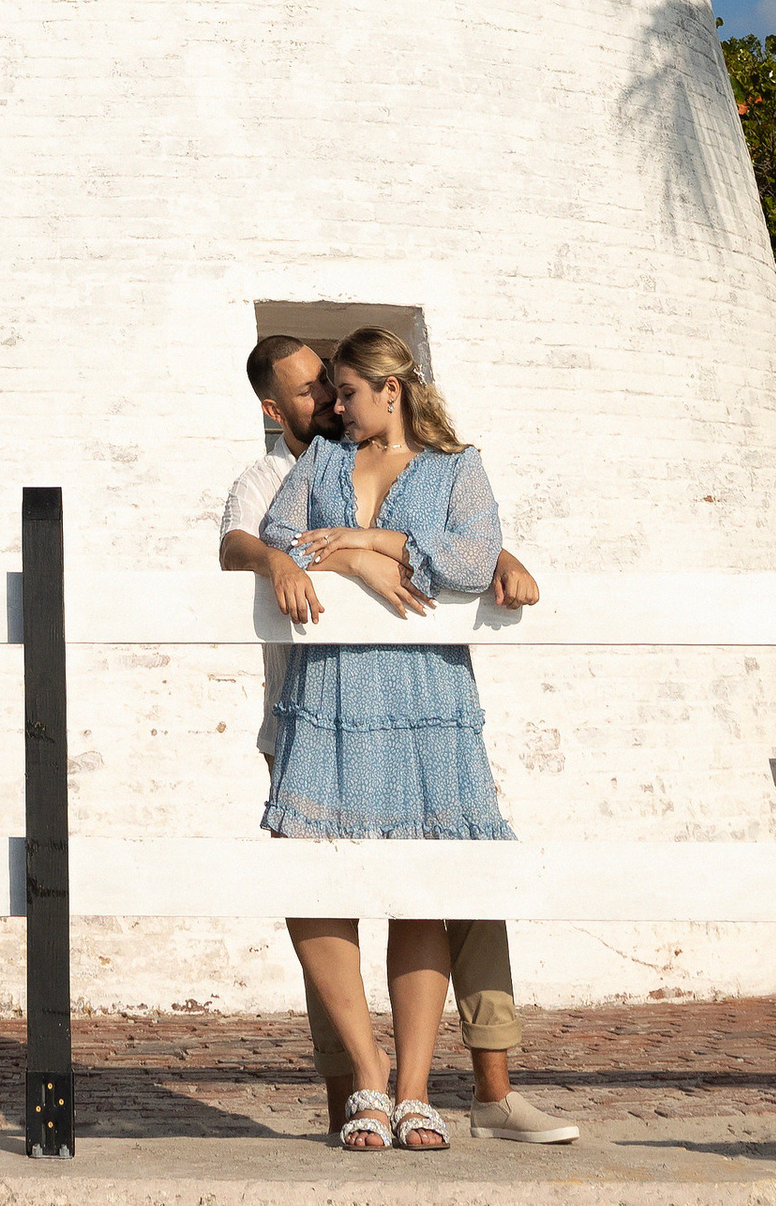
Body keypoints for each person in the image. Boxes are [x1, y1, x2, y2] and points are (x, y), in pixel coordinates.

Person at [218, 337, 574, 1147]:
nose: (335, 408)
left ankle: (416, 1089)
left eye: (345, 391)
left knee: (423, 884)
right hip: (332, 688)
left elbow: (471, 557)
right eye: (327, 394)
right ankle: (368, 1078)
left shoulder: (458, 468)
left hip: (425, 692)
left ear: (389, 388)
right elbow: (284, 535)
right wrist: (346, 554)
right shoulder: (319, 467)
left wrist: (370, 544)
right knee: (313, 877)